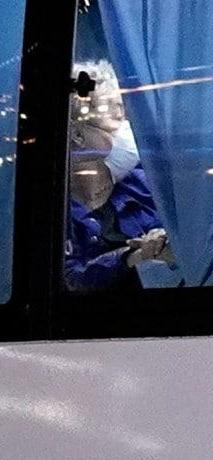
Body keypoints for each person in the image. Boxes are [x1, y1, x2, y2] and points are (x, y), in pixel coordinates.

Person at [65, 60, 173, 291]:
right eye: (116, 116)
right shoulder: (53, 215)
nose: (127, 128)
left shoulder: (149, 181)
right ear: (77, 135)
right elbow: (68, 281)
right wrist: (133, 256)